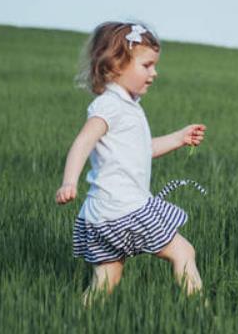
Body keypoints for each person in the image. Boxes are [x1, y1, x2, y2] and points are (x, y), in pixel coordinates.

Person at [55, 22, 207, 302]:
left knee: (107, 279)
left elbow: (140, 150)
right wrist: (69, 181)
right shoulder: (110, 106)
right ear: (115, 66)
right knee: (184, 252)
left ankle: (76, 318)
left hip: (102, 215)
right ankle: (202, 312)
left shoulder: (126, 105)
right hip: (126, 208)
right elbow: (82, 142)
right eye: (147, 65)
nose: (154, 73)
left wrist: (179, 137)